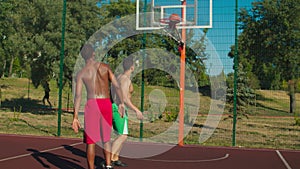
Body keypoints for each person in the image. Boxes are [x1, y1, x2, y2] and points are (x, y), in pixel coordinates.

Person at [72, 44, 124, 169]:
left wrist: (75, 117)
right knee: (106, 139)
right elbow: (116, 86)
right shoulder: (105, 67)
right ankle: (108, 165)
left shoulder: (81, 73)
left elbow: (78, 96)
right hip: (106, 103)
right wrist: (121, 103)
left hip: (92, 105)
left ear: (82, 56)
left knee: (91, 142)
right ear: (94, 53)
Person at [111, 56, 143, 167]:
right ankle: (109, 158)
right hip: (119, 108)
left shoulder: (118, 77)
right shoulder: (125, 79)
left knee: (121, 134)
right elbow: (124, 98)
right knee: (123, 135)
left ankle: (115, 158)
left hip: (115, 107)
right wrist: (136, 110)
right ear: (132, 67)